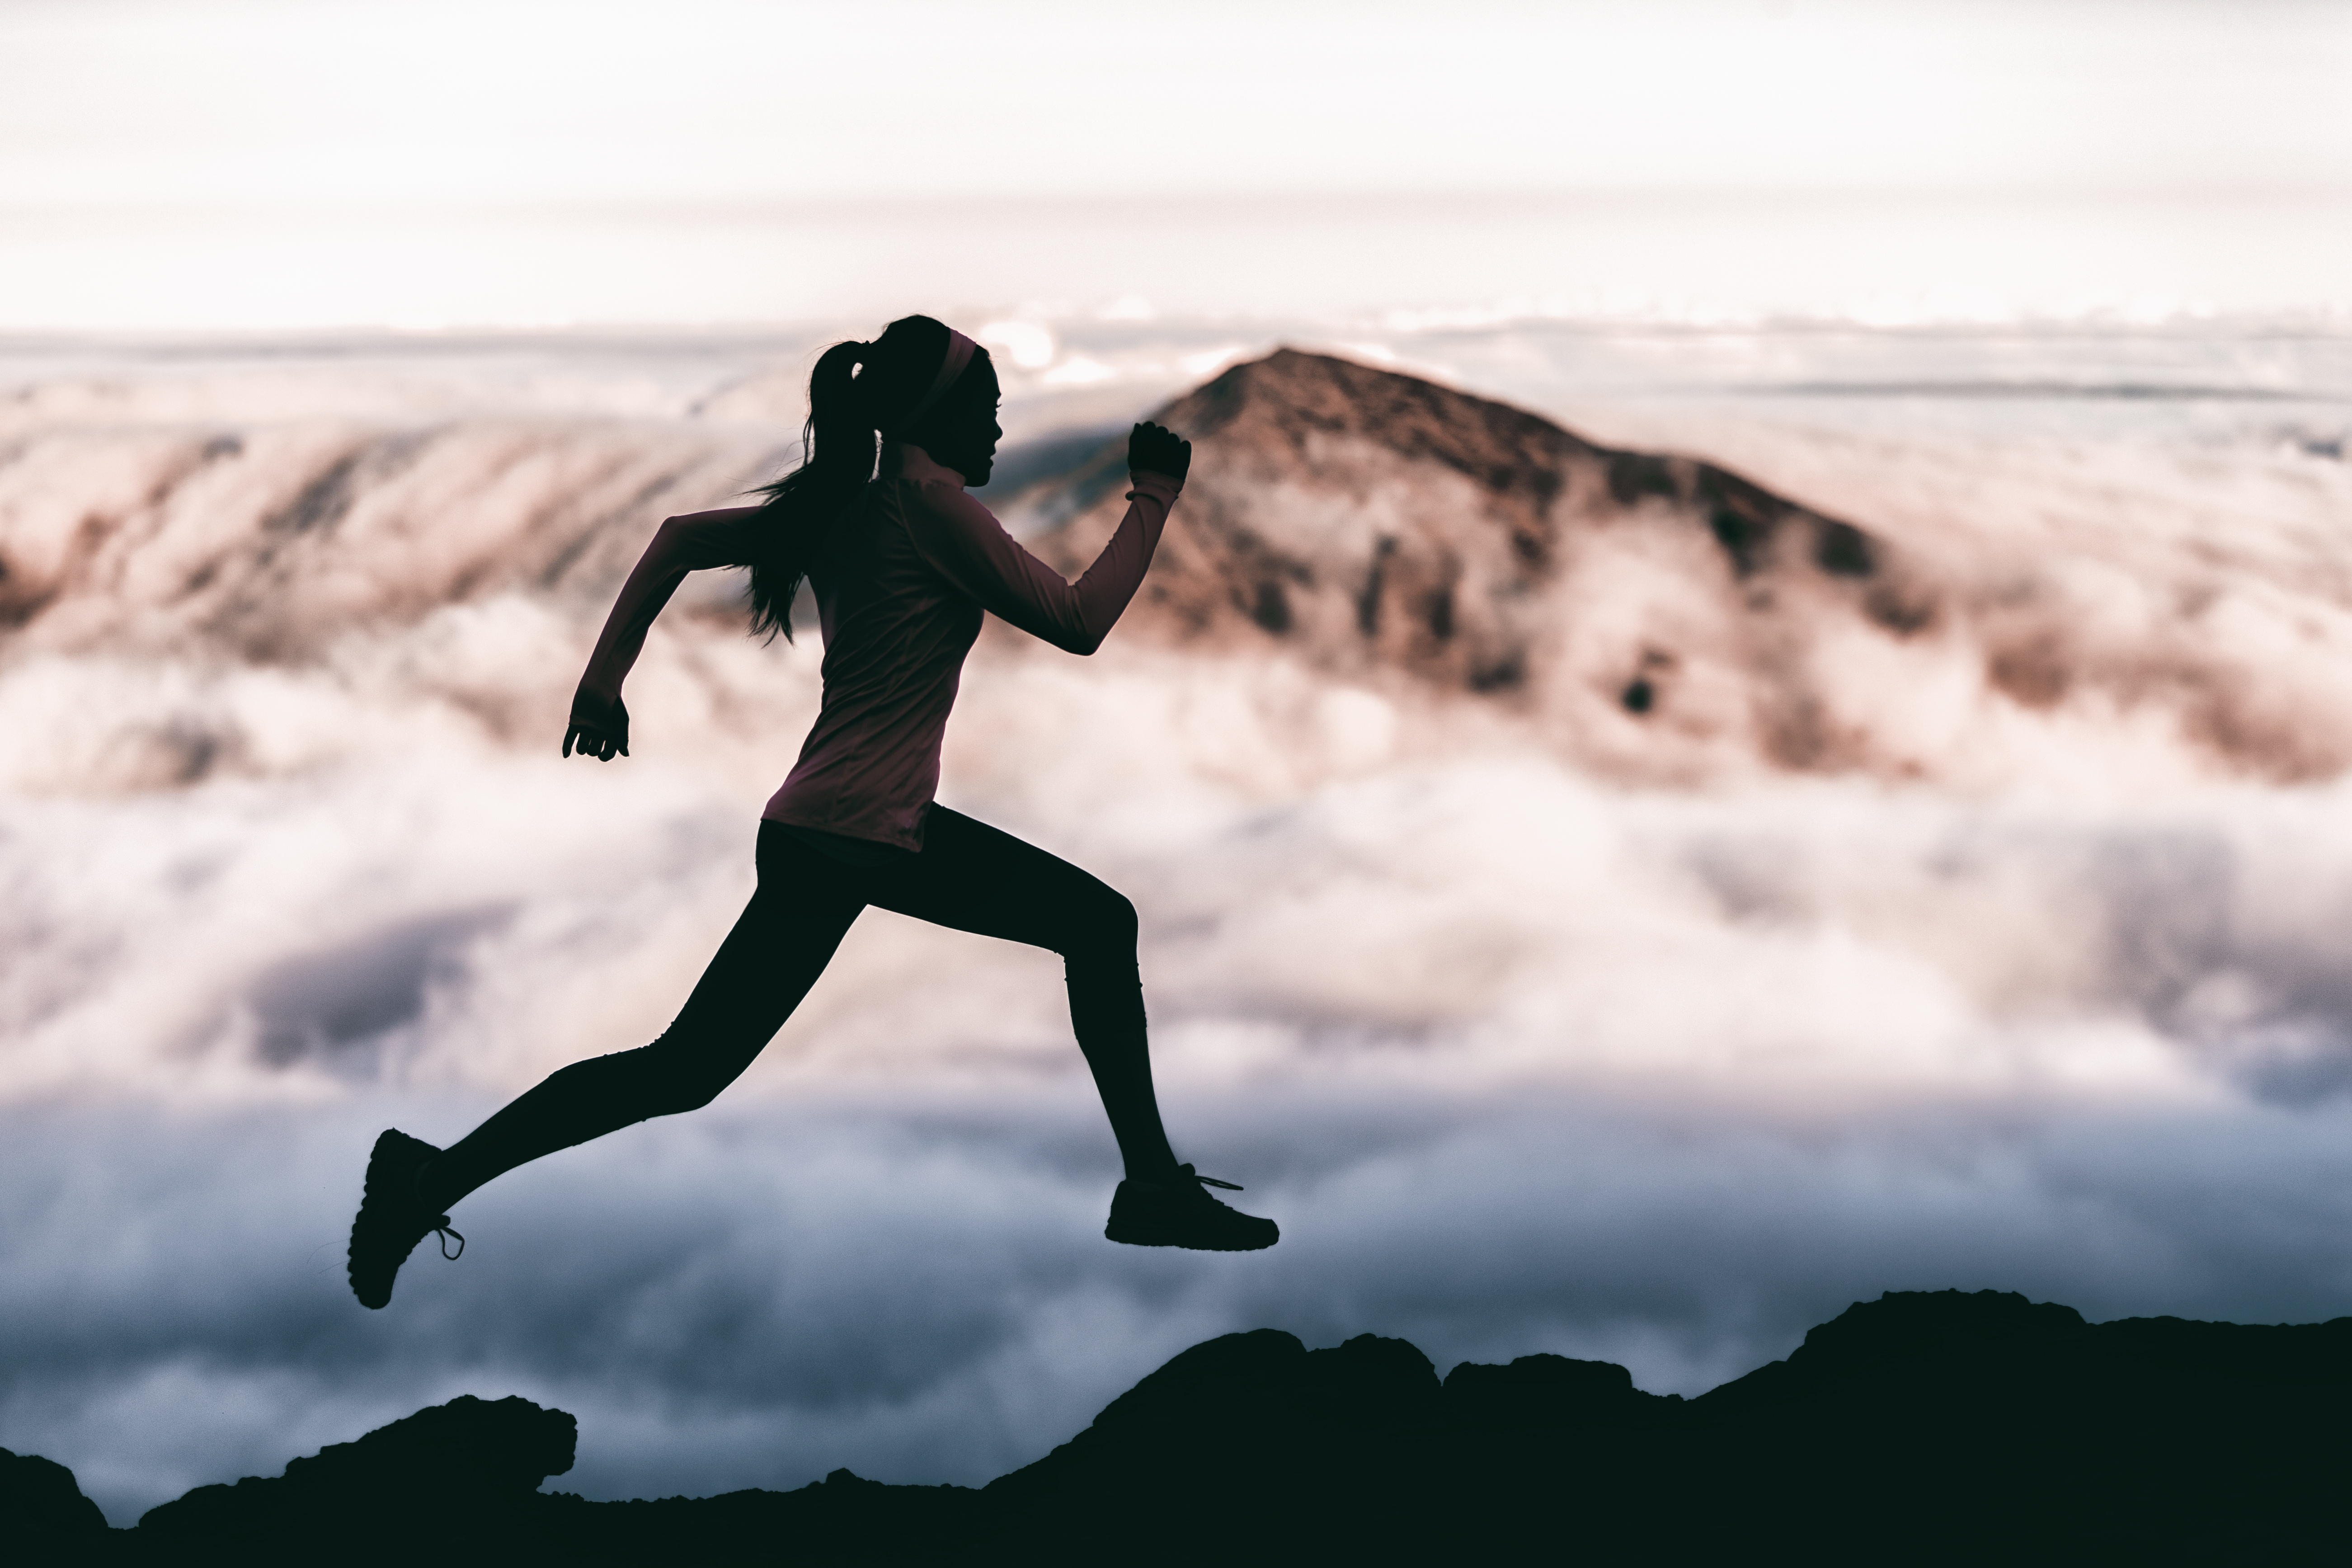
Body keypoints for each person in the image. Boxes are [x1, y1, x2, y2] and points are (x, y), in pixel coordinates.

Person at [346, 315, 1277, 1309]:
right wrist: (1152, 497)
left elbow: (672, 543)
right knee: (1098, 926)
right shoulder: (932, 510)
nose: (1000, 433)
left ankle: (425, 1180)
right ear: (940, 418)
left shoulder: (844, 507)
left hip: (828, 831)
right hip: (861, 837)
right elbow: (1080, 622)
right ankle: (1151, 1188)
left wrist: (602, 684)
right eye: (988, 413)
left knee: (679, 1069)